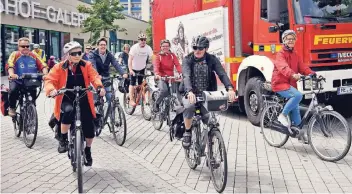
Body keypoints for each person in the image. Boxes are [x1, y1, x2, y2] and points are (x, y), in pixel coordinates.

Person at [44, 41, 106, 166]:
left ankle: (87, 150)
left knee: (89, 127)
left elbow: (94, 77)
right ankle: (63, 139)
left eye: (79, 52)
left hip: (83, 97)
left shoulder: (86, 65)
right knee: (67, 112)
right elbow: (50, 80)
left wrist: (99, 87)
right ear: (67, 55)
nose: (77, 55)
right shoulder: (59, 67)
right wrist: (51, 90)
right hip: (66, 97)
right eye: (74, 53)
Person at [181, 35, 235, 148]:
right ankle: (187, 131)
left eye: (200, 48)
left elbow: (222, 74)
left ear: (206, 48)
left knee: (209, 120)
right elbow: (186, 76)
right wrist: (190, 91)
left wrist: (229, 88)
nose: (197, 51)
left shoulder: (212, 59)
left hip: (207, 94)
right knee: (189, 107)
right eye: (195, 47)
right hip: (189, 93)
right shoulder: (187, 59)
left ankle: (211, 152)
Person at [272, 30, 315, 129]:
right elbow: (283, 67)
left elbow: (302, 66)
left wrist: (312, 73)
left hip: (290, 84)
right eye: (288, 39)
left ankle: (299, 131)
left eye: (293, 39)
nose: (291, 41)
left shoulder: (295, 53)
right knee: (298, 95)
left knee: (295, 107)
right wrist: (293, 74)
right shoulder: (280, 54)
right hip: (279, 84)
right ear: (284, 40)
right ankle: (282, 115)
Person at [6, 37, 48, 117]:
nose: (25, 48)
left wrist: (45, 74)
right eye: (23, 46)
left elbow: (43, 65)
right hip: (17, 80)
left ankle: (31, 116)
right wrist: (12, 74)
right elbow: (10, 65)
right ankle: (12, 107)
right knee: (13, 91)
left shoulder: (34, 55)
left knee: (32, 101)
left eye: (27, 46)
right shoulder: (15, 54)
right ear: (19, 47)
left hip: (30, 81)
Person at [89, 37, 128, 103]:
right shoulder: (93, 54)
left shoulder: (109, 54)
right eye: (101, 45)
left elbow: (115, 64)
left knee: (110, 97)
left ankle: (109, 113)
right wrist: (97, 75)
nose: (103, 46)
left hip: (106, 78)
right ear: (98, 46)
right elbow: (93, 66)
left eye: (104, 45)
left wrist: (123, 73)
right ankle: (96, 111)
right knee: (96, 100)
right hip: (96, 79)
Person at [153, 39, 182, 112]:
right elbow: (156, 66)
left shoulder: (172, 55)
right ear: (161, 47)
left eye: (167, 46)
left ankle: (167, 111)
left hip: (170, 78)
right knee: (164, 90)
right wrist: (157, 74)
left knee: (170, 95)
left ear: (169, 47)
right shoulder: (158, 56)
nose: (165, 47)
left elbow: (177, 65)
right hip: (161, 77)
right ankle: (156, 103)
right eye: (163, 46)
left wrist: (180, 73)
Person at [128, 33, 153, 106]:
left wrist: (154, 70)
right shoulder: (134, 47)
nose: (143, 41)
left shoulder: (148, 48)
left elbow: (152, 59)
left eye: (144, 40)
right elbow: (130, 59)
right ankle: (131, 100)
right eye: (141, 40)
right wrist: (130, 70)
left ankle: (139, 98)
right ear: (139, 40)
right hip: (133, 68)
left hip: (142, 68)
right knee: (132, 83)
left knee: (140, 85)